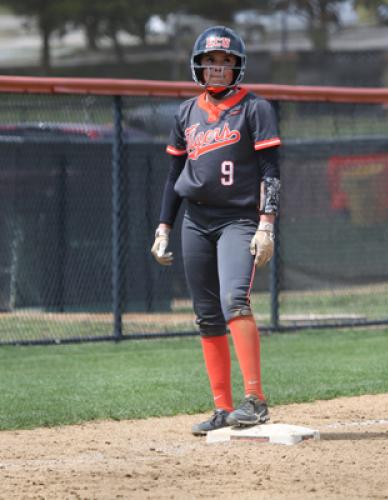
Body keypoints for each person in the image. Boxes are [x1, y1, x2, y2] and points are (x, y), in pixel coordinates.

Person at [151, 26, 281, 436]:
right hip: (196, 220)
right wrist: (163, 226)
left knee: (234, 302)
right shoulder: (186, 112)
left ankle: (256, 401)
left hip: (239, 220)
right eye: (211, 61)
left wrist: (266, 225)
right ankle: (223, 408)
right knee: (207, 316)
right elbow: (175, 174)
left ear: (237, 67)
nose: (218, 68)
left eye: (226, 62)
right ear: (199, 66)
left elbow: (271, 172)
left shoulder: (255, 108)